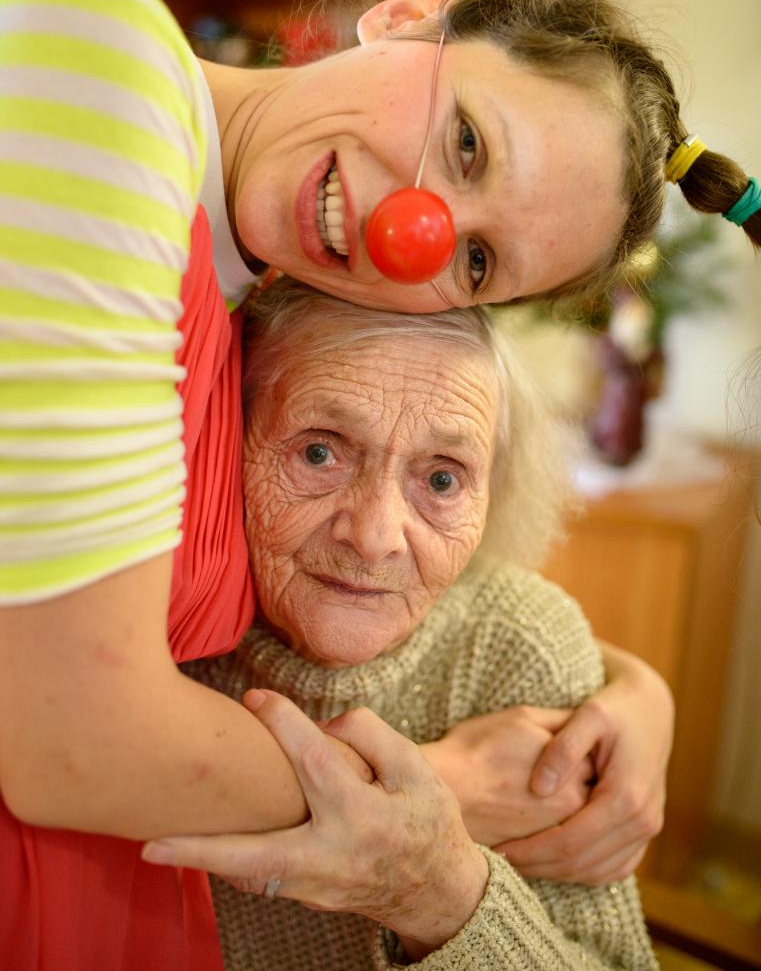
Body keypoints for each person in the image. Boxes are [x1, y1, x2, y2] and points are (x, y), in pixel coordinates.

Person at [1, 0, 755, 969]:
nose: (414, 230)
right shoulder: (101, 71)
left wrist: (617, 687)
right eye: (464, 142)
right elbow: (73, 741)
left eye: (476, 261)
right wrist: (447, 788)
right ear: (409, 16)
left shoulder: (234, 311)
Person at [165, 275, 658, 969]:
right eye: (318, 451)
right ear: (225, 447)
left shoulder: (517, 648)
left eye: (442, 478)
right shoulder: (153, 628)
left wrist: (441, 896)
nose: (374, 536)